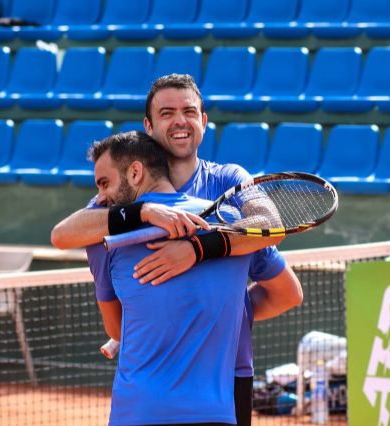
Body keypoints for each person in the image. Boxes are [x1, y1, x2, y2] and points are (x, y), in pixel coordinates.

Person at [52, 74, 303, 425]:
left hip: (229, 374)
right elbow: (65, 233)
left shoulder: (228, 182)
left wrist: (198, 256)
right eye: (167, 113)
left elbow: (270, 228)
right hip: (160, 388)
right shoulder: (122, 198)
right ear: (148, 126)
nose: (180, 120)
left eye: (189, 111)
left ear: (203, 121)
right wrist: (144, 212)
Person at [85, 130, 252, 425]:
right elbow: (288, 291)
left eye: (104, 183)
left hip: (136, 413)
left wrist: (192, 251)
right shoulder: (234, 223)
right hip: (216, 414)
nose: (100, 197)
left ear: (135, 172)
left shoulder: (101, 232)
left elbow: (116, 328)